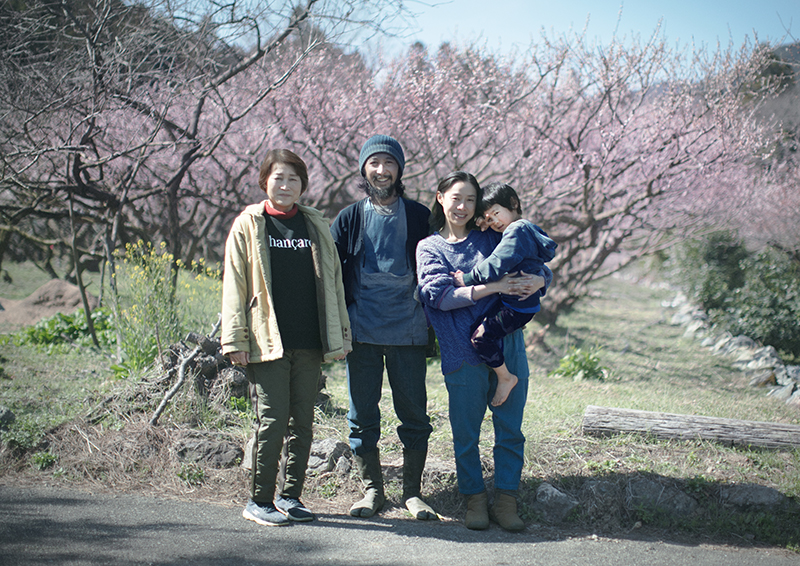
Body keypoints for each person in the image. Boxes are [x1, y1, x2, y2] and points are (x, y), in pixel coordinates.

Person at [221, 149, 351, 527]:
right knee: (273, 421)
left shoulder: (314, 224)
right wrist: (235, 339)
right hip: (267, 341)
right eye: (278, 177)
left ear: (302, 185)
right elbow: (234, 283)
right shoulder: (249, 224)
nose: (285, 185)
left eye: (294, 179)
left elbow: (334, 283)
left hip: (309, 340)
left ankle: (290, 496)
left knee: (303, 423)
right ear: (266, 181)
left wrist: (341, 335)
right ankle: (259, 500)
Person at [415, 171, 545, 532]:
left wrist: (542, 279)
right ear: (440, 198)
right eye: (456, 198)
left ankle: (506, 499)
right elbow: (439, 296)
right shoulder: (430, 247)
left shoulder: (491, 236)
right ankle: (473, 498)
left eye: (470, 200)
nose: (463, 206)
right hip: (461, 350)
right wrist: (495, 286)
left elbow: (530, 257)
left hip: (508, 343)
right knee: (466, 432)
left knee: (511, 428)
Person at [330, 135, 437, 520]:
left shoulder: (421, 216)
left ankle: (412, 493)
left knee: (414, 414)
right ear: (364, 169)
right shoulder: (350, 218)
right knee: (362, 415)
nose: (381, 170)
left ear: (399, 170)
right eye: (374, 162)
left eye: (389, 162)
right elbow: (329, 272)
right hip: (362, 331)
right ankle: (372, 490)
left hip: (409, 330)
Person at [453, 182, 557, 407]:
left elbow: (496, 264)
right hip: (519, 304)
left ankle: (505, 377)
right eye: (488, 219)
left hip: (516, 307)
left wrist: (467, 279)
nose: (494, 222)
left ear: (513, 204)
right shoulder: (526, 229)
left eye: (496, 213)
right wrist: (483, 222)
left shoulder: (516, 231)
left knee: (480, 337)